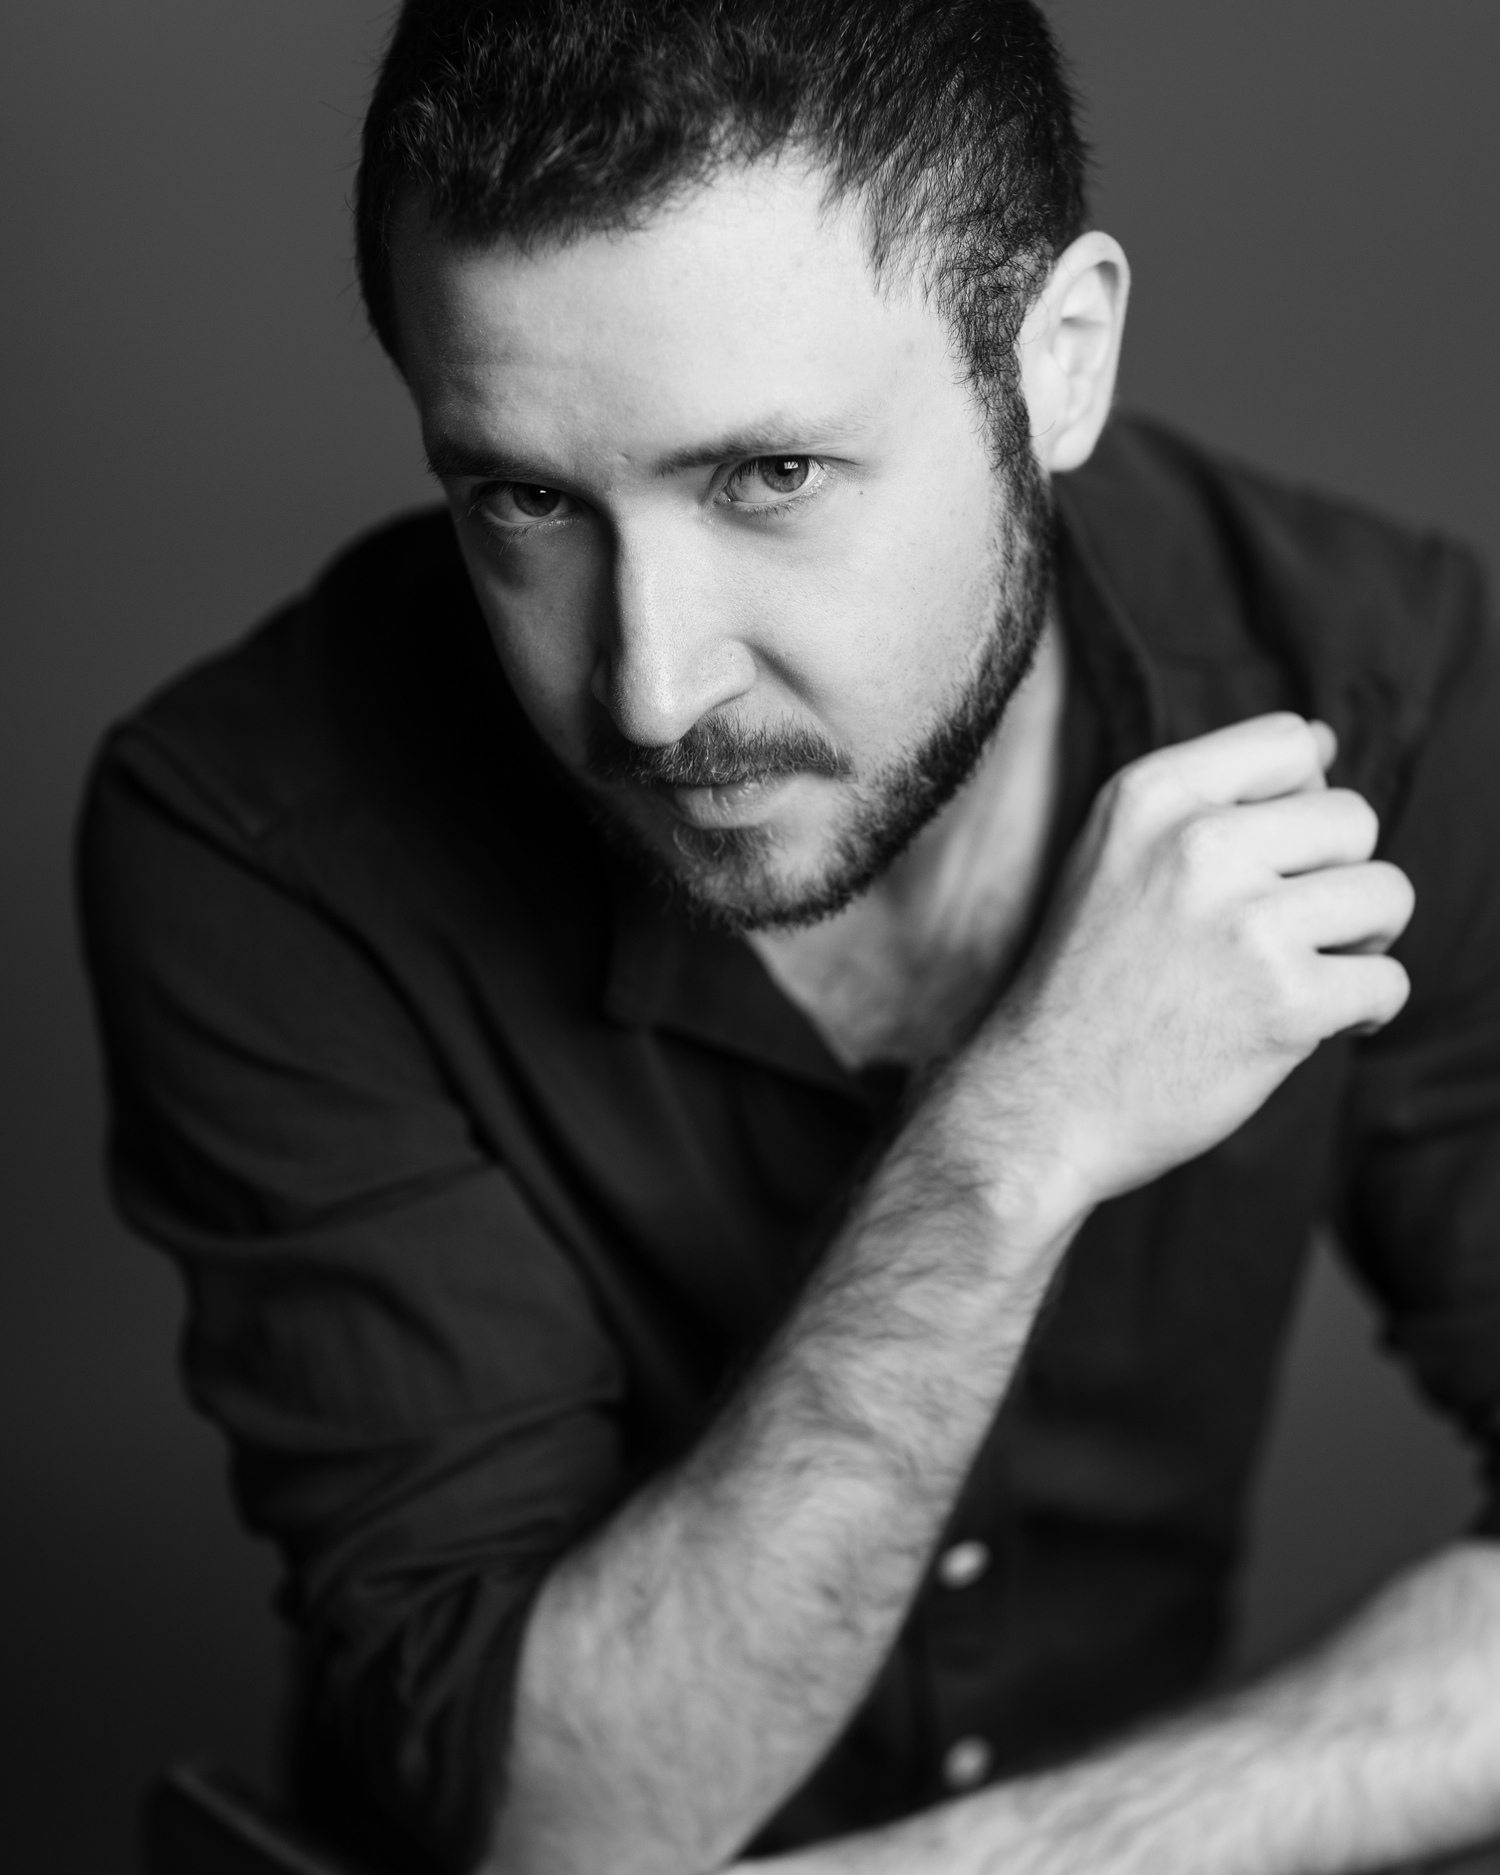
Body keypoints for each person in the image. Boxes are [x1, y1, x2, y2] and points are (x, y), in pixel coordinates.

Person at [78, 3, 1500, 1872]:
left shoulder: (1378, 688)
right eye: (524, 500)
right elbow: (565, 1827)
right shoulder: (259, 838)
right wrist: (1011, 1142)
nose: (652, 688)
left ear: (1057, 362)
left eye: (769, 477)